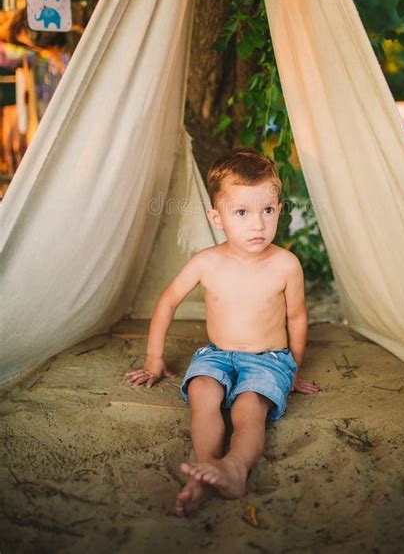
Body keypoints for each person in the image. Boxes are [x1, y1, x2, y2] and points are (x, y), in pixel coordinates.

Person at [125, 147, 319, 516]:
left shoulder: (285, 265)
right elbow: (167, 302)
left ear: (279, 209)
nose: (258, 224)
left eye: (268, 210)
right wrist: (154, 359)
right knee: (201, 391)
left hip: (268, 360)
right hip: (216, 353)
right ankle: (204, 466)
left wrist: (292, 368)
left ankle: (234, 467)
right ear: (217, 217)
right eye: (242, 212)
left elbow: (297, 318)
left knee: (249, 408)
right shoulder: (206, 262)